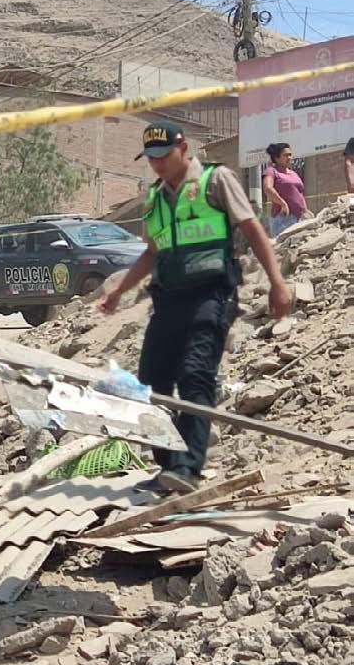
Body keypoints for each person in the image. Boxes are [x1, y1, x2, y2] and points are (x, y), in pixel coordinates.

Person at [100, 121, 290, 495]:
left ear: (183, 149)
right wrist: (119, 290)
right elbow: (152, 253)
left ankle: (188, 468)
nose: (157, 164)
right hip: (168, 299)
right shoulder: (155, 198)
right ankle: (169, 466)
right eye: (151, 158)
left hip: (211, 294)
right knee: (150, 382)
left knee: (195, 375)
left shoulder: (215, 181)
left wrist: (277, 282)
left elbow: (253, 229)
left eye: (163, 155)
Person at [262, 142, 308, 238]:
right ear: (276, 158)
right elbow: (267, 188)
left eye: (290, 155)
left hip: (299, 218)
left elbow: (300, 192)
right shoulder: (271, 171)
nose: (289, 157)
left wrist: (305, 210)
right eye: (286, 155)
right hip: (283, 219)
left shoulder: (294, 174)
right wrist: (282, 203)